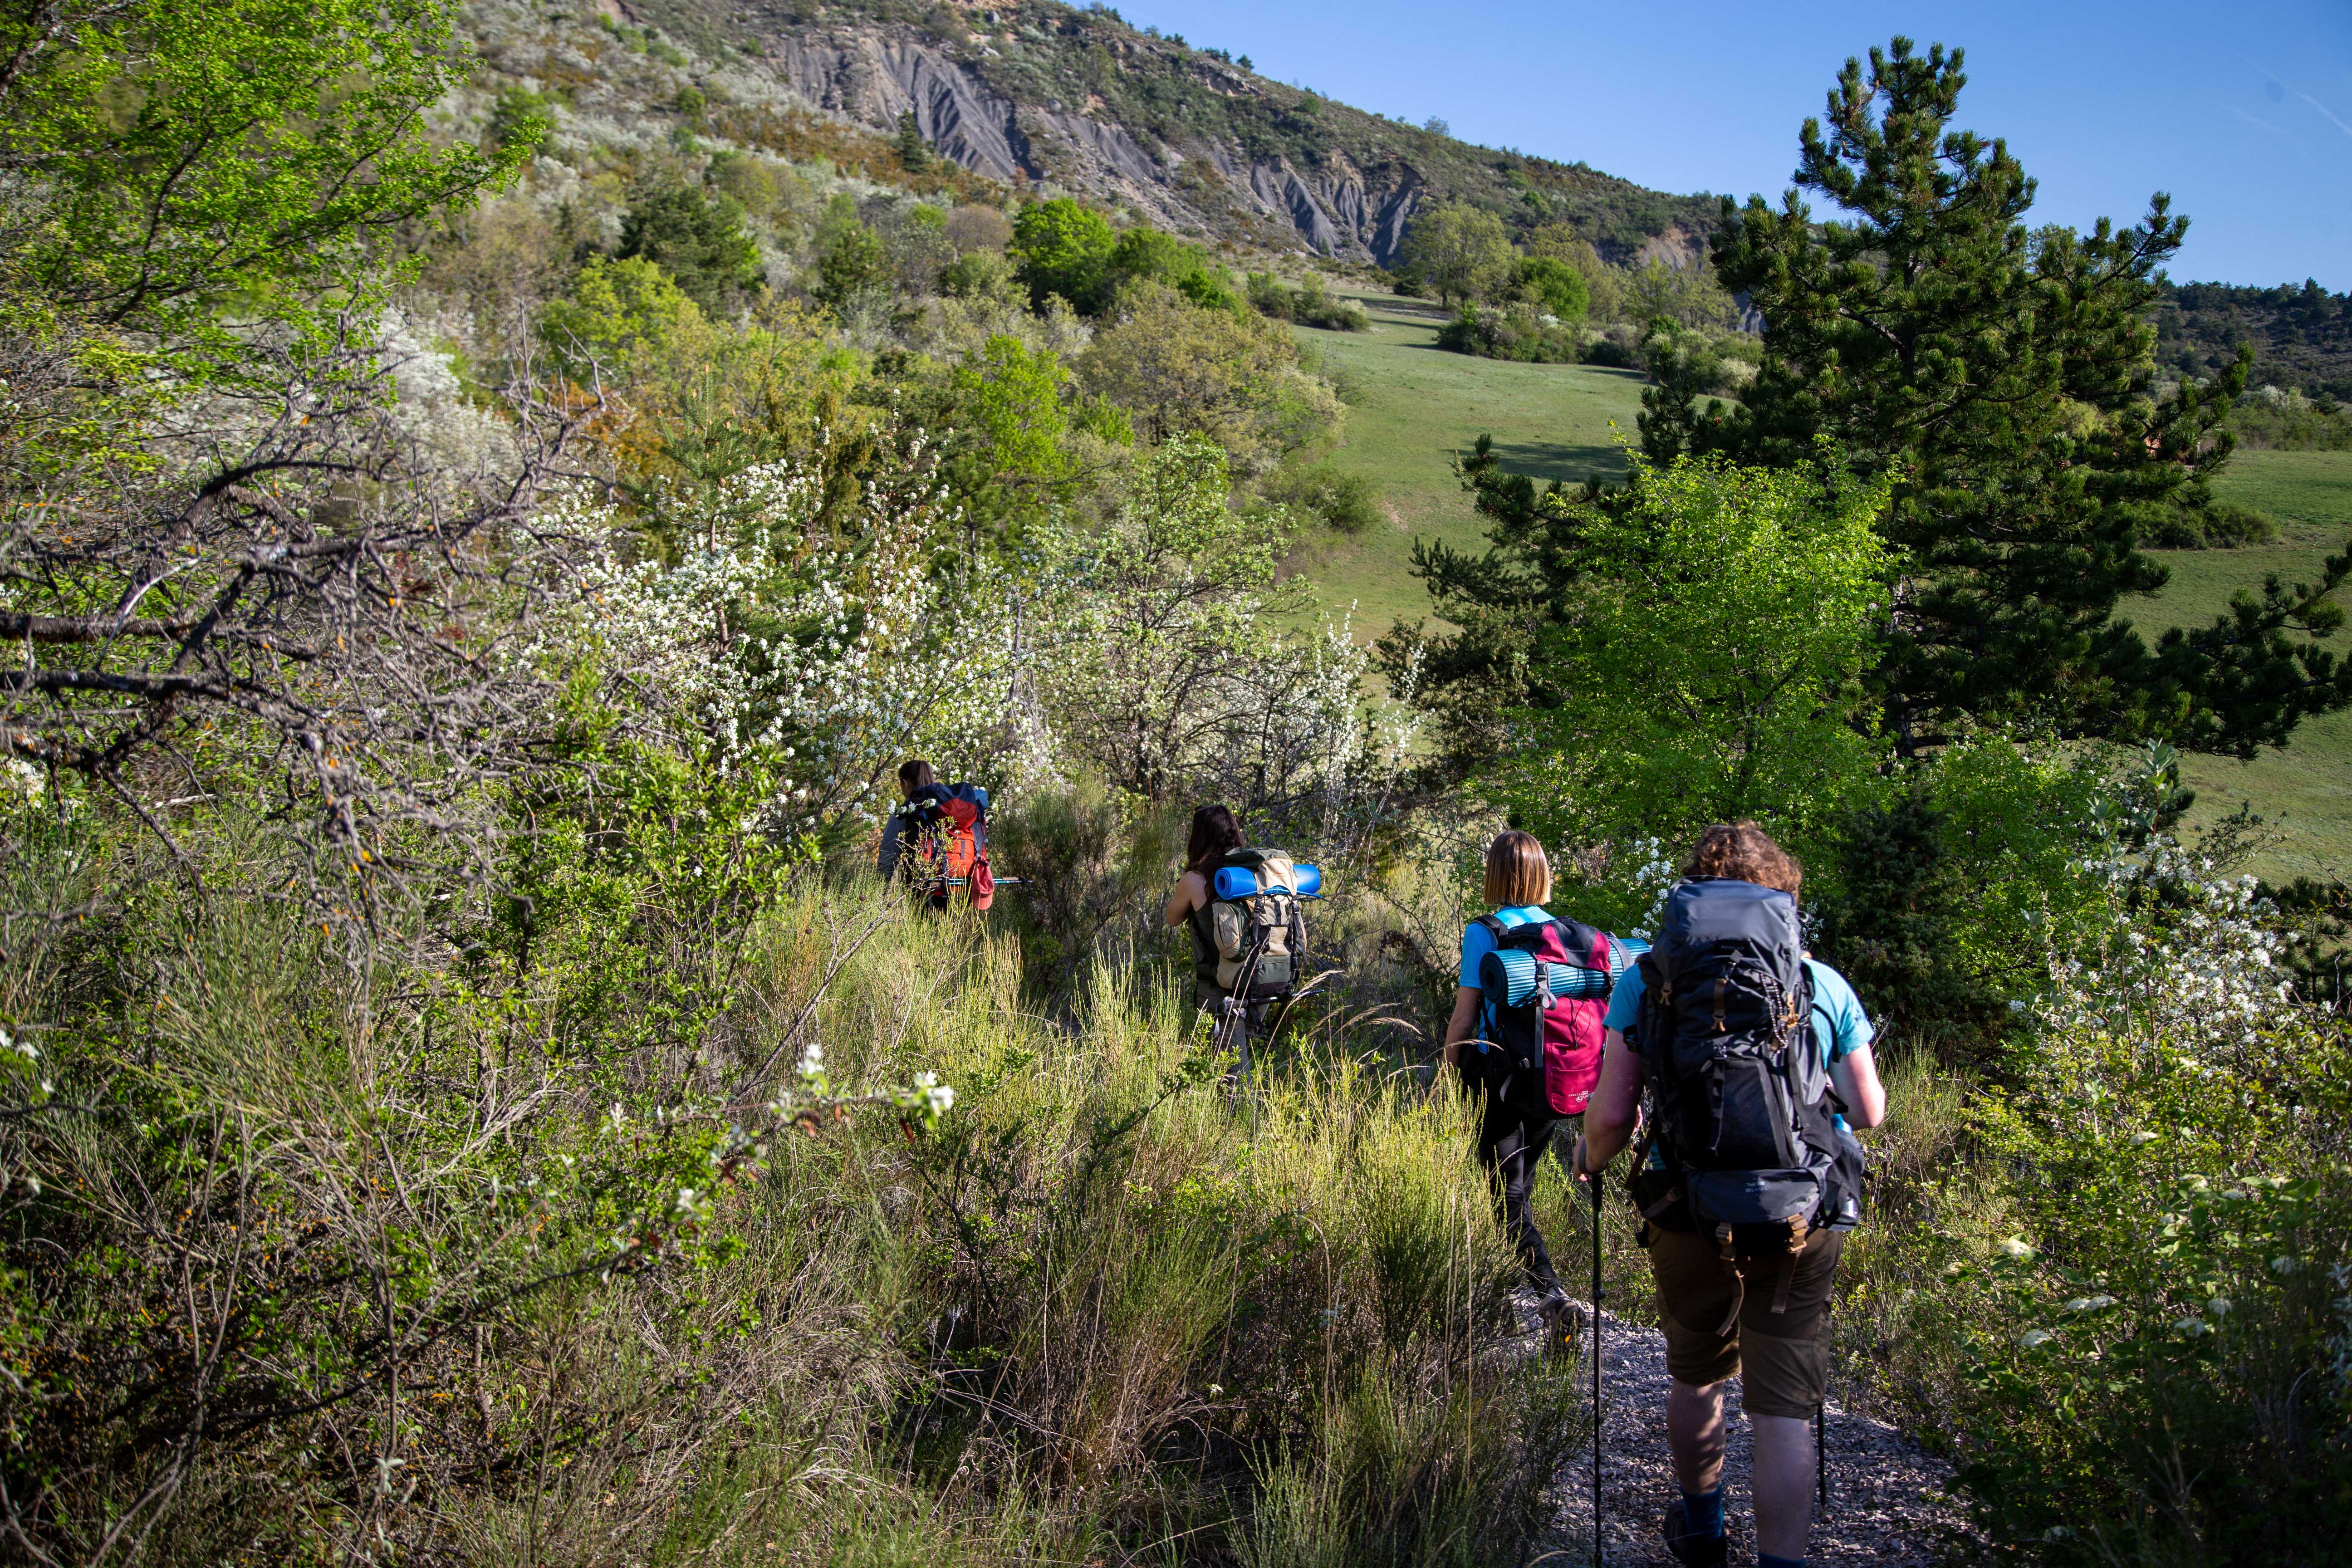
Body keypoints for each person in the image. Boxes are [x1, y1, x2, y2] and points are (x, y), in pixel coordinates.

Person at [1573, 822, 1887, 1568]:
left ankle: (1704, 1532)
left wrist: (1588, 1159)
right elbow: (1868, 1110)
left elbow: (1612, 1115)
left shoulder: (1645, 980)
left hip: (1686, 1205)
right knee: (1782, 1409)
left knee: (1696, 1377)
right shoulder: (1820, 983)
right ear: (1781, 898)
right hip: (1799, 1213)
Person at [1441, 830, 1616, 1315]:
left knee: (1506, 1192)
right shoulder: (1567, 934)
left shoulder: (1485, 932)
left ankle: (1551, 1296)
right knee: (1519, 1183)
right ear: (1542, 874)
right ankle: (1515, 1287)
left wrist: (1447, 1075)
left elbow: (1463, 1019)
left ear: (1495, 875)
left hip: (1498, 1079)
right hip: (1557, 1076)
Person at [878, 759, 994, 910]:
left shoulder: (906, 813)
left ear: (905, 783)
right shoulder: (955, 807)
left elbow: (888, 858)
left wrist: (881, 894)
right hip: (966, 890)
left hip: (924, 893)